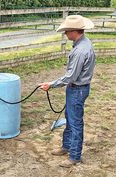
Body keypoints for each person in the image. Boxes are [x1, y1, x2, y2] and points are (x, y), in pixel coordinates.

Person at [40, 15, 96, 168]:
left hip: (77, 89)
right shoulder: (83, 43)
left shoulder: (80, 51)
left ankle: (75, 156)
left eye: (66, 31)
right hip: (77, 88)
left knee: (75, 122)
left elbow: (71, 76)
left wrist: (51, 84)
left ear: (74, 31)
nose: (65, 34)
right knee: (70, 118)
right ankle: (67, 146)